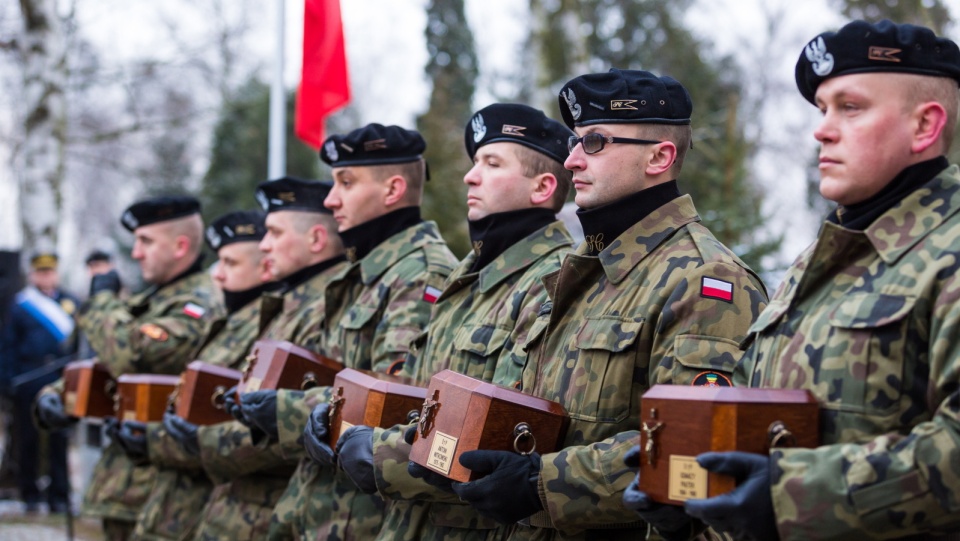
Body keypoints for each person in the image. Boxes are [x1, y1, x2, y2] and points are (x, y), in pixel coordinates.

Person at [623, 19, 960, 541]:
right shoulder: (817, 262)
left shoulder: (948, 251)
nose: (821, 129)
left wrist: (793, 495)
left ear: (924, 126)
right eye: (822, 109)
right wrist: (693, 506)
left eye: (851, 107)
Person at [438, 70, 768, 540]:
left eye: (593, 142)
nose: (571, 160)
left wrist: (542, 482)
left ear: (659, 156)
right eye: (574, 142)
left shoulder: (704, 278)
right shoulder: (584, 271)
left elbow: (697, 447)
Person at [331, 103, 577, 541]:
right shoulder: (470, 277)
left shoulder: (551, 281)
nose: (470, 175)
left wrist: (378, 453)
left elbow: (500, 435)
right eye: (474, 162)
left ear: (542, 187)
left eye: (492, 163)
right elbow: (420, 397)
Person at [272, 123, 458, 540]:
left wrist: (285, 408)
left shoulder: (420, 272)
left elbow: (397, 397)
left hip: (363, 517)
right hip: (321, 508)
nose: (330, 199)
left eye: (346, 182)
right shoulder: (366, 274)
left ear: (392, 190)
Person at [33, 195, 222, 541]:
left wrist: (102, 301)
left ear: (180, 246)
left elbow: (134, 356)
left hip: (165, 496)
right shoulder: (151, 300)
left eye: (146, 242)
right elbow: (108, 367)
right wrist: (58, 395)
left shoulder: (199, 304)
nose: (135, 253)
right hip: (127, 489)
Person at [185, 178, 351, 540]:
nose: (265, 245)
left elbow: (308, 418)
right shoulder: (290, 304)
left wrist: (201, 441)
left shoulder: (327, 305)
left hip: (268, 509)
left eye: (274, 233)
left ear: (317, 239)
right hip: (241, 509)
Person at [127, 210, 275, 540]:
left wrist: (151, 441)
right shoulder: (228, 321)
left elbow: (250, 435)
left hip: (228, 513)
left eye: (231, 264)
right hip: (180, 511)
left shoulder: (265, 329)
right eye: (219, 263)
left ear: (266, 267)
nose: (218, 276)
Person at [0, 252, 78, 513]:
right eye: (41, 272)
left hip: (62, 379)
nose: (46, 276)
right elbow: (8, 345)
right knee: (28, 440)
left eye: (50, 272)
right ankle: (29, 494)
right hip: (29, 378)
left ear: (56, 274)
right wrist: (7, 379)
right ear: (33, 275)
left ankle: (59, 495)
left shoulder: (71, 302)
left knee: (59, 439)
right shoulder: (21, 306)